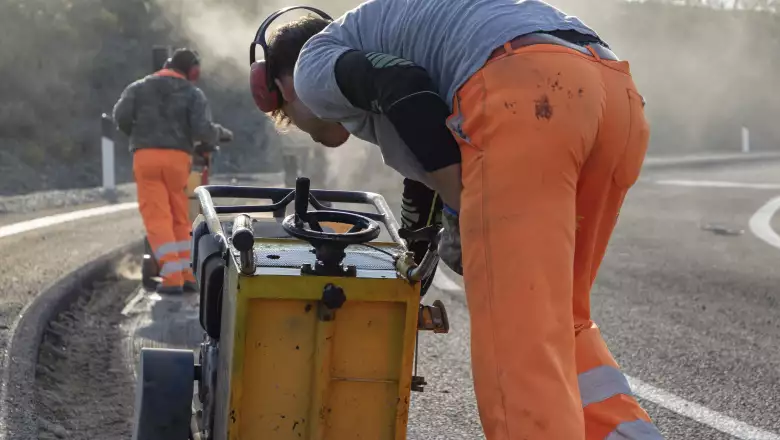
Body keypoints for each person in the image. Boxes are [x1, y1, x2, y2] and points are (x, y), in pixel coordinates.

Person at [249, 1, 659, 439]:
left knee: (516, 343)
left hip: (529, 91)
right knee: (558, 318)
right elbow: (424, 144)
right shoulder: (385, 36)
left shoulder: (313, 66)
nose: (294, 123)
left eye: (283, 116)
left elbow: (404, 87)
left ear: (279, 86)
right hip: (612, 94)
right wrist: (423, 245)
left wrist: (462, 208)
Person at [114, 48, 233, 295]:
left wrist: (139, 136)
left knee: (157, 216)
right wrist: (220, 134)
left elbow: (120, 115)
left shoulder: (138, 87)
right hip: (178, 160)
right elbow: (202, 129)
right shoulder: (193, 93)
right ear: (193, 72)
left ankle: (171, 279)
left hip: (146, 157)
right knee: (180, 215)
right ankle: (188, 275)